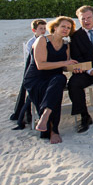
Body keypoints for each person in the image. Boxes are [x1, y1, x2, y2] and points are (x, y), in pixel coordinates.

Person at [23, 16, 78, 144]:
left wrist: (73, 68)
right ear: (55, 27)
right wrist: (65, 62)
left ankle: (46, 116)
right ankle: (53, 130)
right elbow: (40, 65)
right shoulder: (42, 40)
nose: (66, 29)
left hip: (55, 77)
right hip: (37, 77)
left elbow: (64, 66)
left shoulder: (66, 45)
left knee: (60, 80)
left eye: (68, 28)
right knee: (55, 87)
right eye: (63, 26)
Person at [10, 19, 46, 129]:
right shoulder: (31, 42)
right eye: (41, 29)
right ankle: (26, 114)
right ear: (34, 30)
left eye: (45, 28)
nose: (43, 31)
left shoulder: (46, 39)